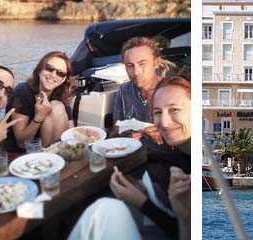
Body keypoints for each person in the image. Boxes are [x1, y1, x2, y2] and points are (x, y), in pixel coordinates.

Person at [69, 74, 191, 239]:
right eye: (157, 112)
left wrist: (141, 201)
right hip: (157, 205)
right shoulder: (180, 154)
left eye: (174, 109)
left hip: (161, 221)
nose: (164, 122)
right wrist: (150, 190)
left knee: (103, 210)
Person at [111, 36, 175, 151]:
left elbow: (187, 139)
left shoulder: (172, 91)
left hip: (166, 157)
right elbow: (114, 131)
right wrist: (125, 136)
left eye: (142, 64)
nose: (136, 72)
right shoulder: (123, 91)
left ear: (156, 63)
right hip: (133, 154)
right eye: (130, 65)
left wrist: (164, 138)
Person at [4, 51, 74, 151]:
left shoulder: (61, 95)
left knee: (57, 106)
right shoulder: (22, 93)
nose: (53, 75)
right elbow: (21, 143)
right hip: (20, 153)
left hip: (49, 149)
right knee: (56, 107)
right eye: (49, 68)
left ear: (63, 80)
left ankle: (56, 158)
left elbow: (70, 131)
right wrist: (39, 117)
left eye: (60, 73)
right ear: (39, 69)